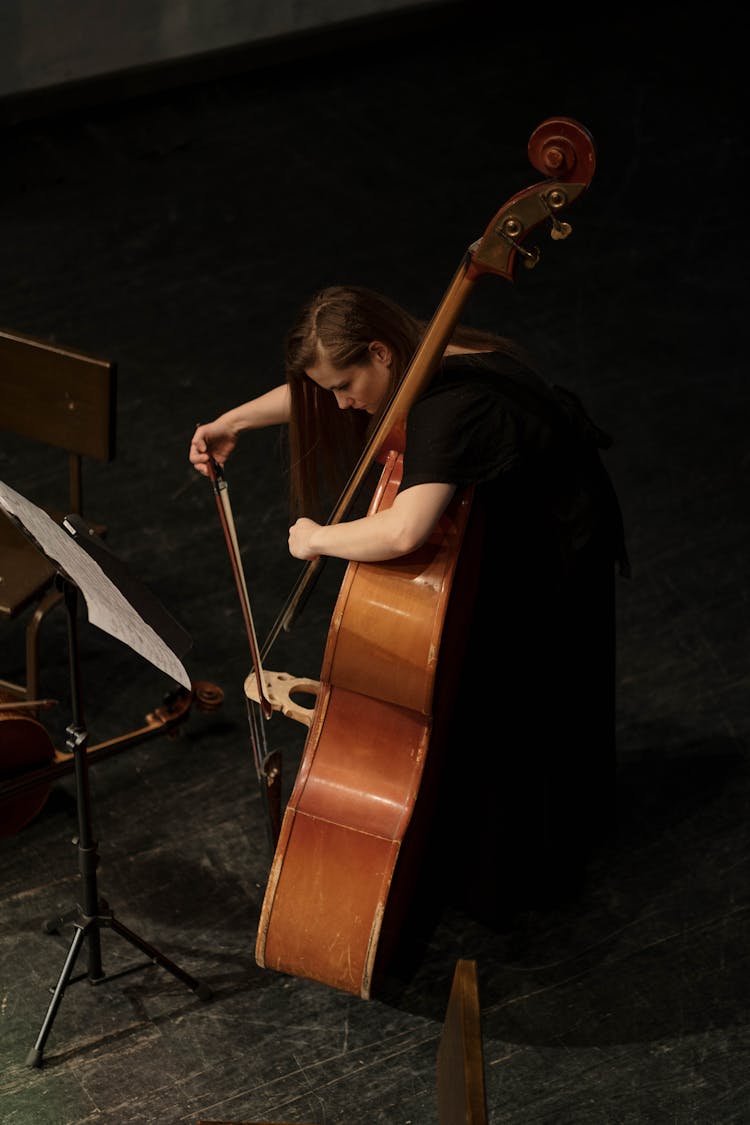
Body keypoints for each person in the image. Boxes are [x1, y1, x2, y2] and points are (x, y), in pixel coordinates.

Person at [190, 284, 629, 924]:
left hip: (555, 548)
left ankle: (530, 869)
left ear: (378, 352)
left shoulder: (444, 408)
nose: (342, 404)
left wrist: (317, 538)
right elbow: (314, 392)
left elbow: (403, 530)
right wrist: (233, 421)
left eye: (346, 385)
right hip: (520, 525)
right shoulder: (419, 350)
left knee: (522, 699)